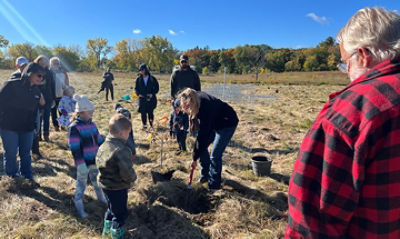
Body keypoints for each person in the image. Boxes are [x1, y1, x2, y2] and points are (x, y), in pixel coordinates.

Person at [286, 7, 400, 238]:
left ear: (363, 54)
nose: (345, 71)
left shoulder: (352, 112)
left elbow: (311, 219)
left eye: (345, 63)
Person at [178, 88, 238, 190]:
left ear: (192, 102)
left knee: (215, 155)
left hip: (227, 123)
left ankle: (214, 186)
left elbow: (203, 136)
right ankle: (204, 177)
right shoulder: (195, 97)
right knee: (201, 148)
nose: (187, 110)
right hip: (214, 122)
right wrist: (196, 155)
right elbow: (201, 140)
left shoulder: (205, 108)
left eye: (188, 107)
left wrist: (194, 158)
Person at [0, 62, 45, 183]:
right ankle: (12, 177)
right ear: (29, 73)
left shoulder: (36, 91)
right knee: (11, 153)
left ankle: (27, 176)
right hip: (9, 126)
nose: (41, 78)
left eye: (43, 77)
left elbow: (36, 111)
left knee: (26, 153)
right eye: (39, 75)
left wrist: (36, 127)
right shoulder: (11, 85)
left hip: (27, 128)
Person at [97, 113, 137, 239]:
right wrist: (133, 177)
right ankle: (116, 234)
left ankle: (107, 232)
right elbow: (126, 172)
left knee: (110, 208)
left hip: (105, 185)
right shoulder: (120, 150)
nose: (128, 136)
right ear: (121, 133)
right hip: (117, 187)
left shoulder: (104, 145)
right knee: (120, 214)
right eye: (128, 133)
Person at [67, 94, 106, 218]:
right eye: (90, 112)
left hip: (95, 160)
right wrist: (80, 163)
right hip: (83, 162)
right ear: (81, 112)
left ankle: (102, 200)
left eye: (92, 112)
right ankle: (78, 204)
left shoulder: (93, 125)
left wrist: (104, 152)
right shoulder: (75, 127)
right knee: (81, 184)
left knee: (97, 181)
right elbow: (74, 148)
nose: (92, 114)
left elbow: (99, 140)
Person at [34, 55, 56, 142]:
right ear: (38, 62)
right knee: (38, 118)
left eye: (45, 63)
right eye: (41, 62)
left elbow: (52, 85)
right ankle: (38, 136)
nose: (43, 64)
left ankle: (46, 134)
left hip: (48, 98)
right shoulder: (34, 72)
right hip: (37, 99)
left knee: (47, 117)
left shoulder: (49, 72)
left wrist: (53, 97)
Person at [135, 64, 159, 129]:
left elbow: (157, 88)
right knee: (143, 113)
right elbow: (136, 89)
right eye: (140, 70)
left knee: (150, 112)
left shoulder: (152, 78)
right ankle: (144, 125)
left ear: (146, 70)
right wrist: (139, 94)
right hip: (142, 99)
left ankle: (151, 125)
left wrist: (152, 94)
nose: (141, 71)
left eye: (142, 70)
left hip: (150, 99)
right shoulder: (138, 79)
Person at [50, 57, 69, 132]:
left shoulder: (63, 72)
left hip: (62, 95)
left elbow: (66, 83)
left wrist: (67, 91)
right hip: (52, 96)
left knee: (63, 111)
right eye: (54, 63)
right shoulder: (49, 73)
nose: (56, 65)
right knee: (53, 112)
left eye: (57, 63)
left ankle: (63, 125)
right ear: (51, 64)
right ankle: (56, 126)